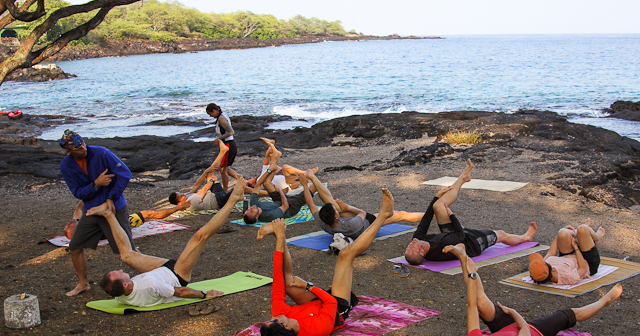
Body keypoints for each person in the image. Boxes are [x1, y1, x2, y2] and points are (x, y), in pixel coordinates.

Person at [90, 176, 246, 307]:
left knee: (126, 256)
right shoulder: (151, 286)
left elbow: (133, 287)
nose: (119, 270)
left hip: (158, 272)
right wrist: (205, 294)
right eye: (118, 274)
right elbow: (181, 292)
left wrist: (141, 257)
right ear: (124, 284)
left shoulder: (120, 296)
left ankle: (108, 215)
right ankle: (232, 200)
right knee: (200, 237)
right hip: (177, 274)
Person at [259, 188, 396, 336]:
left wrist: (280, 239)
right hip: (336, 304)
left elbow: (278, 277)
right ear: (285, 326)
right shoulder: (317, 330)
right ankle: (383, 216)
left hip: (313, 304)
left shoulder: (280, 315)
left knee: (287, 282)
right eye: (273, 320)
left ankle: (281, 235)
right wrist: (308, 286)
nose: (272, 317)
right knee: (346, 254)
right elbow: (331, 302)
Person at [444, 243, 622, 336]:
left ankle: (463, 256)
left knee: (480, 303)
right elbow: (524, 330)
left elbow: (471, 305)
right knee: (567, 315)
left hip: (503, 328)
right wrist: (513, 313)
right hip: (533, 330)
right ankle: (604, 301)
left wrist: (469, 270)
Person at [404, 159, 537, 265]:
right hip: (472, 243)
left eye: (407, 248)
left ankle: (462, 178)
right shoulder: (439, 249)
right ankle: (525, 238)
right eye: (412, 249)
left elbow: (425, 220)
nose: (409, 245)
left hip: (452, 235)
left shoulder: (419, 239)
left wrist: (436, 197)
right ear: (422, 252)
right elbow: (460, 235)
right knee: (501, 235)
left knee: (438, 205)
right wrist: (451, 215)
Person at [59, 129, 134, 297]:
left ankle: (144, 280)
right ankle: (83, 283)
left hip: (114, 208)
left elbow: (125, 174)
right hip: (91, 211)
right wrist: (95, 184)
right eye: (78, 148)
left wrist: (111, 197)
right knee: (75, 247)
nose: (83, 148)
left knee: (127, 251)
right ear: (69, 151)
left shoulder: (101, 153)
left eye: (83, 143)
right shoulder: (66, 166)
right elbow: (78, 193)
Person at [301, 169, 424, 240]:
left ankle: (312, 176)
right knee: (401, 215)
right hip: (368, 223)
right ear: (336, 217)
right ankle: (429, 215)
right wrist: (347, 207)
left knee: (335, 204)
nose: (337, 211)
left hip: (344, 221)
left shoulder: (323, 221)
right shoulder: (351, 225)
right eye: (336, 212)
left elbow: (310, 203)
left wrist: (305, 186)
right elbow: (362, 213)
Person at [243, 139, 316, 224]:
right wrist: (280, 192)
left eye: (248, 209)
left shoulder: (253, 204)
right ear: (257, 217)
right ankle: (312, 178)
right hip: (290, 207)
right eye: (251, 211)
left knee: (266, 183)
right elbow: (285, 206)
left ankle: (276, 156)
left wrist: (270, 170)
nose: (251, 208)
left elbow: (258, 184)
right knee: (313, 188)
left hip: (279, 201)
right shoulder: (269, 216)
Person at [64, 199, 192, 239]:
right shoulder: (88, 231)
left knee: (148, 214)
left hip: (116, 218)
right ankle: (178, 208)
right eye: (69, 227)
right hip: (120, 224)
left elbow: (78, 209)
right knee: (148, 214)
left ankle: (178, 208)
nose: (68, 223)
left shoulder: (79, 220)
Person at [528, 220, 605, 285]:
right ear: (553, 269)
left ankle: (576, 233)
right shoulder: (568, 277)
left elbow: (551, 252)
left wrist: (567, 232)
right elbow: (583, 268)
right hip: (587, 262)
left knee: (562, 232)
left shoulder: (545, 268)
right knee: (583, 229)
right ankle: (596, 238)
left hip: (569, 257)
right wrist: (576, 249)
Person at [168, 139, 234, 211]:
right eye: (181, 196)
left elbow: (196, 185)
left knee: (209, 173)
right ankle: (223, 152)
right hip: (220, 200)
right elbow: (204, 190)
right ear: (179, 203)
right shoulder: (189, 202)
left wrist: (205, 172)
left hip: (217, 194)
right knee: (237, 189)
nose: (183, 194)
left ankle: (222, 152)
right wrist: (212, 180)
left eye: (181, 193)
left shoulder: (187, 196)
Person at [246, 138, 319, 196]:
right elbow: (254, 190)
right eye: (250, 180)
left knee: (271, 159)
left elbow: (266, 160)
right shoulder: (259, 183)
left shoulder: (260, 176)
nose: (251, 177)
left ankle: (273, 147)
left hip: (283, 176)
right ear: (253, 184)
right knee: (284, 167)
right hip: (290, 184)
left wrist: (270, 146)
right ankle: (306, 173)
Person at [206, 103, 238, 191]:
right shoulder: (221, 116)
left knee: (223, 171)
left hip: (228, 145)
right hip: (227, 144)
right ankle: (240, 179)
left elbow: (231, 132)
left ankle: (225, 190)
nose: (211, 116)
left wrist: (218, 138)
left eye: (210, 114)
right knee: (225, 168)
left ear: (214, 111)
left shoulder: (221, 118)